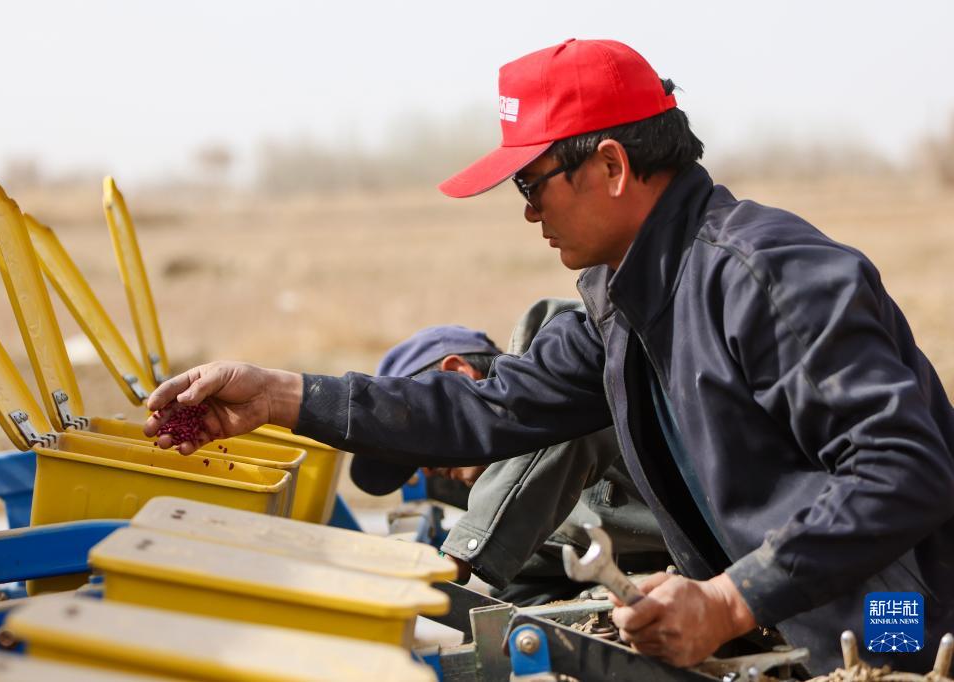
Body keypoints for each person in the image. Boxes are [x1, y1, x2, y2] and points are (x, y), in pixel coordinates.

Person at [145, 39, 954, 674]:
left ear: (610, 164)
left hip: (900, 629)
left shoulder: (768, 276)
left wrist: (729, 600)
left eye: (532, 183)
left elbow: (902, 472)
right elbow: (485, 407)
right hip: (794, 626)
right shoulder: (621, 300)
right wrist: (282, 395)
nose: (527, 212)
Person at [370, 303, 669, 606]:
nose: (425, 471)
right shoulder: (528, 520)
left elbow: (559, 419)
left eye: (416, 440)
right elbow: (524, 599)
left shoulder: (576, 376)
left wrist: (457, 556)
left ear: (459, 374)